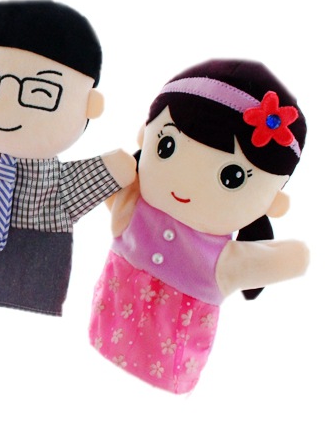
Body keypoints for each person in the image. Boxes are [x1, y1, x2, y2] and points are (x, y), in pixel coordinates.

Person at [89, 59, 309, 394]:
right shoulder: (132, 203)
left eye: (232, 177)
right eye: (166, 146)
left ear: (272, 203)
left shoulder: (222, 258)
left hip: (166, 374)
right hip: (104, 335)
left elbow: (286, 260)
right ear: (146, 136)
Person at [0, 0, 136, 316]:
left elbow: (103, 175)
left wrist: (115, 167)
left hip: (32, 292)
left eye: (39, 92)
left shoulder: (55, 183)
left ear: (89, 105)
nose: (7, 102)